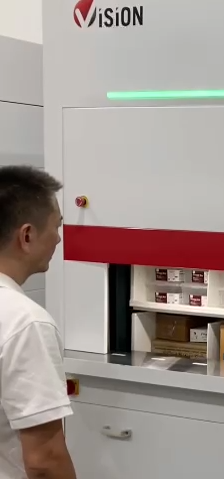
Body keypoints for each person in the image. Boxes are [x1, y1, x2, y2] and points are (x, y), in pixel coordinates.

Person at [0, 166, 77, 479]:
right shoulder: (24, 322)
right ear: (27, 235)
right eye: (56, 226)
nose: (59, 238)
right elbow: (45, 460)